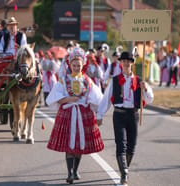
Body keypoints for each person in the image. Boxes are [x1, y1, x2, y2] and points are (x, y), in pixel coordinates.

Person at [46, 47, 104, 184]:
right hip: (68, 113)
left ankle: (76, 170)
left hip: (83, 114)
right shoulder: (63, 80)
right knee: (69, 144)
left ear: (83, 65)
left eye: (79, 65)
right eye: (74, 65)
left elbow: (98, 98)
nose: (77, 67)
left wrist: (98, 113)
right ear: (69, 65)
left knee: (79, 143)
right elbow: (54, 98)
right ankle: (70, 172)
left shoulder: (87, 80)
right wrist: (68, 99)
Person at [96, 51, 154, 186]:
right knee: (121, 144)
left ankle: (124, 168)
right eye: (124, 61)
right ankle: (124, 174)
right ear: (120, 63)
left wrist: (145, 89)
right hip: (119, 114)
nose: (126, 63)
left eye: (128, 61)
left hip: (133, 114)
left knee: (132, 146)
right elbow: (106, 99)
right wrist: (100, 115)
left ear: (132, 63)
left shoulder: (139, 80)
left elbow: (150, 100)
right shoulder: (115, 80)